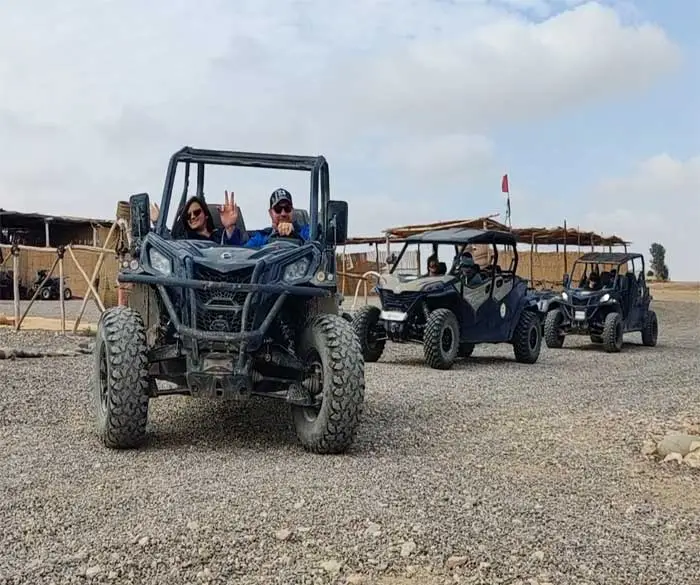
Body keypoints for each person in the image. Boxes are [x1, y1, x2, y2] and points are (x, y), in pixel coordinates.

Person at [230, 188, 310, 248]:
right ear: (271, 213)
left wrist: (294, 233)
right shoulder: (261, 238)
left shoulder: (306, 232)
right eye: (278, 209)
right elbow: (242, 253)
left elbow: (317, 243)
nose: (283, 213)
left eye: (287, 208)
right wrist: (230, 228)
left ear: (292, 211)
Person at [150, 192, 240, 244]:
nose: (192, 217)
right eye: (188, 215)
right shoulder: (185, 240)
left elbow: (235, 251)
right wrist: (158, 222)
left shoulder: (221, 235)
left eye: (196, 212)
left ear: (206, 215)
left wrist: (230, 227)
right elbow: (170, 248)